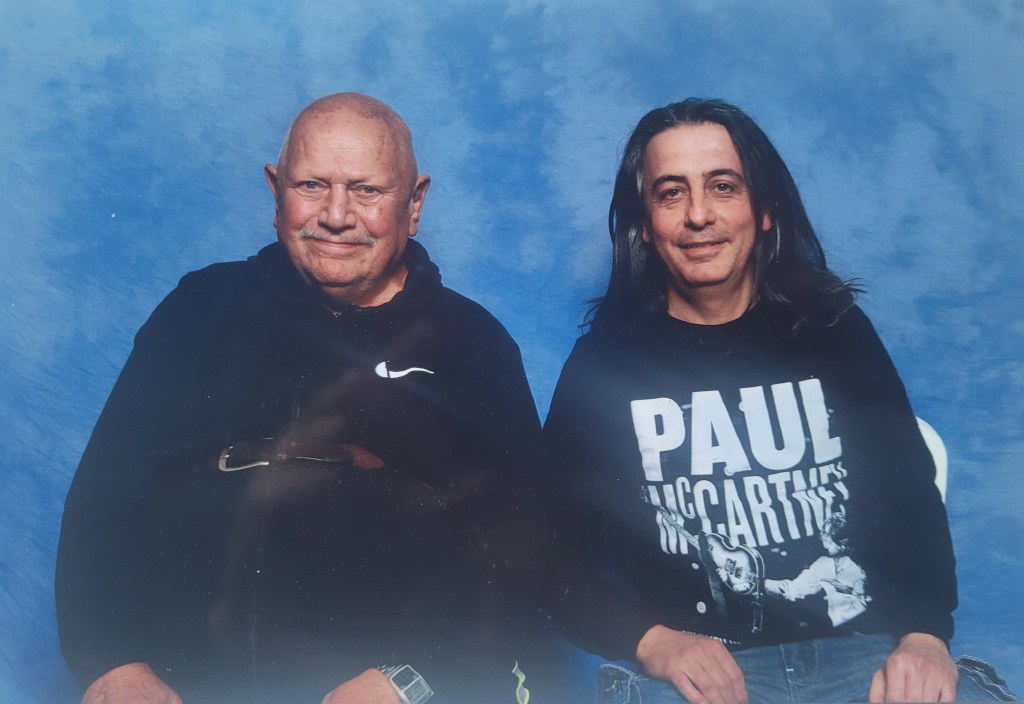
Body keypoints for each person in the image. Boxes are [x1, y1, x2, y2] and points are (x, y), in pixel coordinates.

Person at [57, 93, 554, 704]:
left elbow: (518, 545)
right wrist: (112, 664)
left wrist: (409, 680)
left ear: (414, 203)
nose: (337, 215)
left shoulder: (474, 343)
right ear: (275, 191)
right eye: (312, 185)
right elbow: (106, 497)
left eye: (367, 190)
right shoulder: (198, 309)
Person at [543, 98, 1017, 703]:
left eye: (723, 186)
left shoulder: (834, 332)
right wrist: (650, 640)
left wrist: (925, 636)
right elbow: (545, 544)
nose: (698, 215)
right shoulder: (604, 365)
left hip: (867, 657)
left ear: (764, 210)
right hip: (701, 675)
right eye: (670, 193)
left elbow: (909, 496)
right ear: (643, 223)